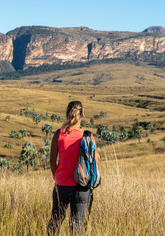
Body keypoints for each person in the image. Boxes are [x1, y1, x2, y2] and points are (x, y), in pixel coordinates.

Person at [47, 101, 100, 236]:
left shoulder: (59, 134)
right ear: (82, 114)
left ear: (66, 114)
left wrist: (56, 176)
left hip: (62, 185)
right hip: (82, 186)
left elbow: (52, 160)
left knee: (55, 222)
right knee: (76, 227)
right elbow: (96, 159)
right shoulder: (87, 136)